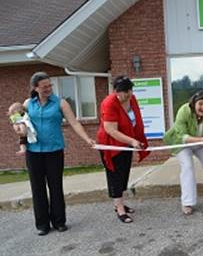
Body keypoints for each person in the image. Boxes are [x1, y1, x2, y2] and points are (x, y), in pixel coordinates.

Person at [23, 72, 95, 236]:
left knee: (55, 187)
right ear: (36, 88)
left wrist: (87, 138)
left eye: (50, 85)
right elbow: (19, 120)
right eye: (45, 86)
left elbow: (74, 123)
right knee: (37, 189)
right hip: (33, 152)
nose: (49, 89)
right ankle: (42, 225)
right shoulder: (28, 104)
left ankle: (59, 222)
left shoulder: (60, 103)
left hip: (54, 152)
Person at [97, 76, 149, 224]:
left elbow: (136, 120)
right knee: (115, 175)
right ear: (115, 91)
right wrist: (132, 141)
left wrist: (136, 140)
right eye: (124, 92)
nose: (128, 95)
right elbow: (110, 130)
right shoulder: (109, 103)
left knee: (124, 172)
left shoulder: (132, 99)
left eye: (129, 91)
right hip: (111, 144)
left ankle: (120, 202)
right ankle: (119, 208)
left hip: (126, 143)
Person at [164, 91, 203, 215]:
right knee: (188, 166)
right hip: (182, 142)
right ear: (194, 104)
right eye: (200, 104)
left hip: (200, 142)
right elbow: (181, 135)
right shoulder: (184, 111)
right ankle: (187, 203)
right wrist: (201, 140)